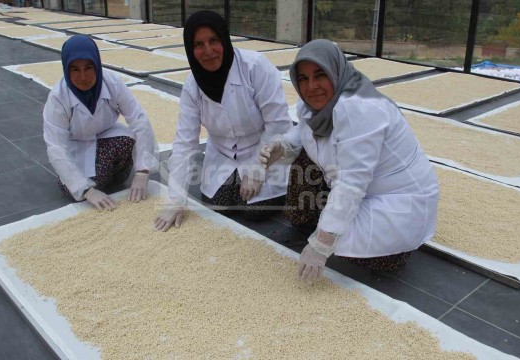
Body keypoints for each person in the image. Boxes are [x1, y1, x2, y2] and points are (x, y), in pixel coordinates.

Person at [260, 39, 439, 281]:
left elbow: (352, 183)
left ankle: (397, 251)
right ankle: (306, 224)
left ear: (336, 71)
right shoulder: (311, 105)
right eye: (303, 78)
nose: (311, 86)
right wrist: (281, 147)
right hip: (362, 185)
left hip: (398, 198)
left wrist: (322, 243)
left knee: (356, 251)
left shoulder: (360, 110)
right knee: (303, 159)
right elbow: (302, 131)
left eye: (320, 75)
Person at [153, 10, 292, 231]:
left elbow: (278, 124)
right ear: (190, 49)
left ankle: (282, 186)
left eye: (214, 40)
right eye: (198, 44)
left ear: (224, 39)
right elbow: (184, 143)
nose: (208, 51)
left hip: (264, 149)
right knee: (217, 205)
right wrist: (176, 199)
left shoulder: (255, 67)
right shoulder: (192, 86)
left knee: (254, 210)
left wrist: (257, 169)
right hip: (223, 153)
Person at [43, 35, 158, 211]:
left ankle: (111, 176)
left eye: (88, 68)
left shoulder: (113, 84)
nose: (83, 77)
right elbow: (56, 147)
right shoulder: (58, 98)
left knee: (128, 140)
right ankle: (94, 183)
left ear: (97, 64)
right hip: (76, 143)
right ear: (66, 69)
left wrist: (143, 171)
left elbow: (139, 120)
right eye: (75, 70)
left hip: (106, 135)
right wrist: (87, 190)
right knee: (75, 189)